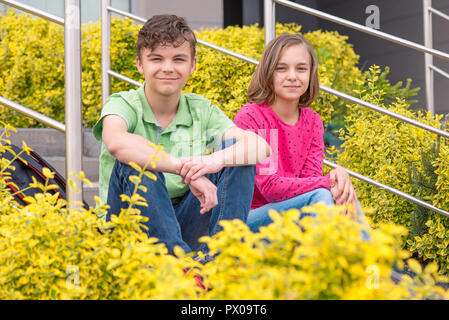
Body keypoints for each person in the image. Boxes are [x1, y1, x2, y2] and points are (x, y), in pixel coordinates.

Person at [92, 14, 271, 256]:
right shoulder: (123, 103)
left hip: (185, 221)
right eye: (156, 59)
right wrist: (181, 169)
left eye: (178, 59)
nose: (168, 68)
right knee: (137, 161)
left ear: (192, 65)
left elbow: (260, 146)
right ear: (140, 64)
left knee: (238, 156)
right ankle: (181, 267)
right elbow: (116, 142)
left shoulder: (201, 109)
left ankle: (220, 263)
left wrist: (212, 161)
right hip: (127, 226)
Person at [233, 33, 363, 233]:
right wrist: (330, 180)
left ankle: (368, 261)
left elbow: (309, 181)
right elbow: (270, 187)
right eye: (281, 68)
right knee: (325, 194)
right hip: (250, 220)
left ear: (311, 74)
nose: (292, 76)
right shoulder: (253, 116)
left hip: (294, 213)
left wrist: (334, 184)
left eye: (301, 68)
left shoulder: (312, 121)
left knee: (341, 197)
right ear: (268, 72)